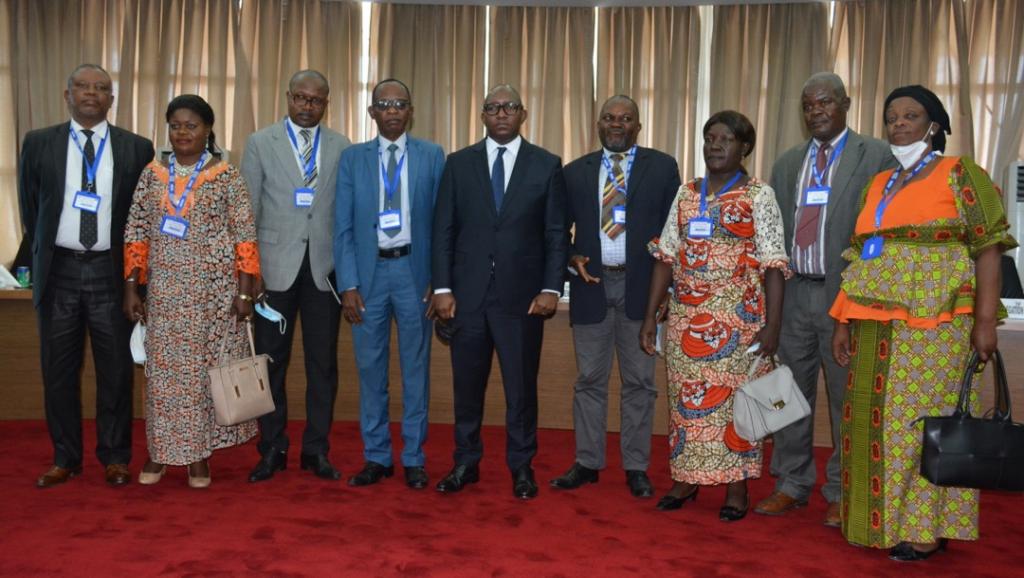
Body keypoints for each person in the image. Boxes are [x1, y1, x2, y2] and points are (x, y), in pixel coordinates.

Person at [830, 85, 1016, 561]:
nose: (899, 124)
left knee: (920, 426)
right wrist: (843, 323)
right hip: (875, 328)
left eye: (910, 115)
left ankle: (926, 528)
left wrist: (985, 321)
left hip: (936, 327)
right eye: (892, 116)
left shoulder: (962, 173)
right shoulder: (879, 183)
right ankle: (876, 523)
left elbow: (989, 247)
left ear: (933, 124)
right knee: (873, 425)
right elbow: (858, 257)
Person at [755, 73, 896, 526]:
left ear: (846, 103)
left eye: (825, 102)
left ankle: (842, 489)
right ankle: (791, 483)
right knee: (786, 396)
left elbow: (881, 233)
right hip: (794, 295)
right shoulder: (788, 161)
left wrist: (861, 300)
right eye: (808, 104)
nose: (816, 111)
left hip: (845, 299)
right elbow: (773, 235)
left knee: (845, 400)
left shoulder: (876, 155)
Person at [640, 110, 789, 522]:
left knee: (737, 407)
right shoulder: (687, 194)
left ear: (744, 147)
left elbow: (774, 265)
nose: (715, 145)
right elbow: (665, 257)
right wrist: (650, 316)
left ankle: (736, 486)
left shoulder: (760, 195)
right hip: (688, 321)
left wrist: (773, 327)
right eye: (709, 138)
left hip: (740, 323)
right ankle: (687, 479)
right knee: (687, 407)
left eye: (726, 139)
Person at [18, 64, 154, 488]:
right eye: (83, 86)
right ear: (67, 94)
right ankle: (65, 457)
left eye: (101, 88)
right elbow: (30, 207)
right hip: (58, 269)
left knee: (115, 370)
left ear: (112, 99)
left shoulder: (136, 147)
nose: (91, 93)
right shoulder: (39, 143)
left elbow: (141, 217)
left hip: (110, 274)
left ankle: (115, 458)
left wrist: (135, 279)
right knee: (58, 369)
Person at [431, 84, 569, 500]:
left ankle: (521, 467)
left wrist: (551, 287)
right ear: (483, 115)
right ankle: (465, 462)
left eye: (509, 107)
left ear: (522, 114)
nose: (501, 113)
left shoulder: (546, 165)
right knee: (466, 388)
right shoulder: (458, 164)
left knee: (521, 390)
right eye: (493, 107)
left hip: (522, 300)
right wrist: (441, 288)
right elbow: (444, 231)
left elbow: (556, 233)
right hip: (467, 299)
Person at [123, 94, 261, 488]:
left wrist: (246, 291)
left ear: (208, 130)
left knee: (202, 377)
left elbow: (245, 237)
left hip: (213, 297)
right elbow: (135, 232)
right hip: (165, 293)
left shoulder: (226, 176)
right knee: (164, 376)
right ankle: (160, 452)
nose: (183, 132)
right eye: (176, 125)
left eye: (192, 125)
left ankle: (199, 456)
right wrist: (132, 286)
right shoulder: (152, 175)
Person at [551, 95, 680, 498]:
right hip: (591, 287)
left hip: (642, 289)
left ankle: (636, 465)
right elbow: (558, 232)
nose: (617, 124)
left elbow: (674, 233)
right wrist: (571, 258)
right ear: (598, 124)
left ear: (638, 126)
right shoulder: (574, 172)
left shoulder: (662, 168)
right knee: (589, 379)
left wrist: (669, 292)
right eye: (609, 118)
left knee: (640, 381)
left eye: (626, 118)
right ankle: (588, 462)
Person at [241, 70, 351, 483]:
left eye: (316, 100)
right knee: (271, 364)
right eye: (301, 98)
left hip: (324, 273)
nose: (308, 106)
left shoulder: (342, 146)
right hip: (273, 273)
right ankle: (272, 449)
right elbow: (246, 213)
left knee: (323, 365)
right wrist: (249, 273)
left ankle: (316, 450)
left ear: (327, 103)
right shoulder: (260, 142)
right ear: (288, 97)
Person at [335, 79, 445, 489]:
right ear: (372, 113)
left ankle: (414, 457)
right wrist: (347, 283)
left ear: (410, 111)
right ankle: (377, 456)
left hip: (414, 274)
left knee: (416, 369)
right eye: (385, 104)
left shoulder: (433, 156)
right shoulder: (352, 159)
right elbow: (342, 226)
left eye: (401, 104)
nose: (393, 110)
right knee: (370, 369)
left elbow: (442, 224)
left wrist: (441, 281)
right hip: (368, 277)